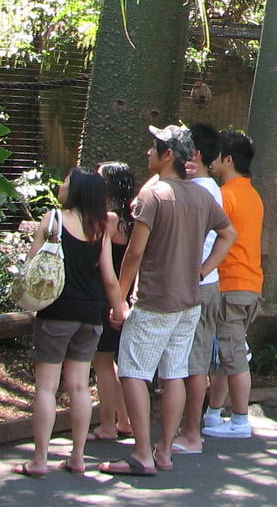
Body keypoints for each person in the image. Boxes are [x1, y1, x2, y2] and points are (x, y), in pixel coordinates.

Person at [98, 125, 237, 476]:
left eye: (153, 148)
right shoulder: (201, 196)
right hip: (189, 301)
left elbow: (134, 253)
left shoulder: (154, 195)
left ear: (168, 155)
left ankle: (142, 453)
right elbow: (228, 234)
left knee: (132, 372)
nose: (148, 153)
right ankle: (163, 452)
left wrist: (120, 299)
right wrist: (203, 270)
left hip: (154, 300)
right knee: (174, 372)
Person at [15, 167, 121, 477]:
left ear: (74, 191)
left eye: (66, 182)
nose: (62, 186)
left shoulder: (53, 220)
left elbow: (33, 262)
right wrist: (117, 310)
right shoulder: (100, 227)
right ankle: (77, 456)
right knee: (79, 386)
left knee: (47, 388)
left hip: (57, 312)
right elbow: (109, 277)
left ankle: (39, 460)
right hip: (91, 316)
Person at [171, 122, 234, 454]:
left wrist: (202, 271)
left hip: (199, 286)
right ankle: (184, 429)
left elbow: (226, 236)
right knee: (187, 361)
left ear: (194, 153)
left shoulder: (202, 188)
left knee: (195, 363)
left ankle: (192, 433)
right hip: (198, 284)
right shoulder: (200, 185)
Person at [203, 128, 264, 440]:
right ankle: (214, 413)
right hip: (249, 284)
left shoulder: (226, 196)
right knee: (225, 354)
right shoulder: (252, 195)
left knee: (232, 354)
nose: (211, 161)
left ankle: (240, 420)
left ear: (227, 159)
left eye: (216, 155)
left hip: (231, 284)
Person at [90, 160, 137, 442]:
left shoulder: (108, 220)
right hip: (127, 297)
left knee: (104, 362)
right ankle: (124, 420)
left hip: (107, 298)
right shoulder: (134, 219)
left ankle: (108, 424)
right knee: (118, 363)